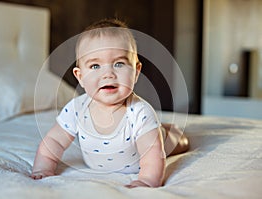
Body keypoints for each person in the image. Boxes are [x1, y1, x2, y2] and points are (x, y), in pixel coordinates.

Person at [31, 18, 189, 188]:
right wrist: (43, 167)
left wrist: (147, 179)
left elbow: (153, 155)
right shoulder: (76, 109)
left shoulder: (140, 112)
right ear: (80, 76)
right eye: (95, 66)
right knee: (153, 131)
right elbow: (54, 141)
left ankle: (168, 131)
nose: (108, 74)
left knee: (175, 141)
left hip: (154, 138)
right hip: (139, 134)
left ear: (136, 72)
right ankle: (159, 128)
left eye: (119, 63)